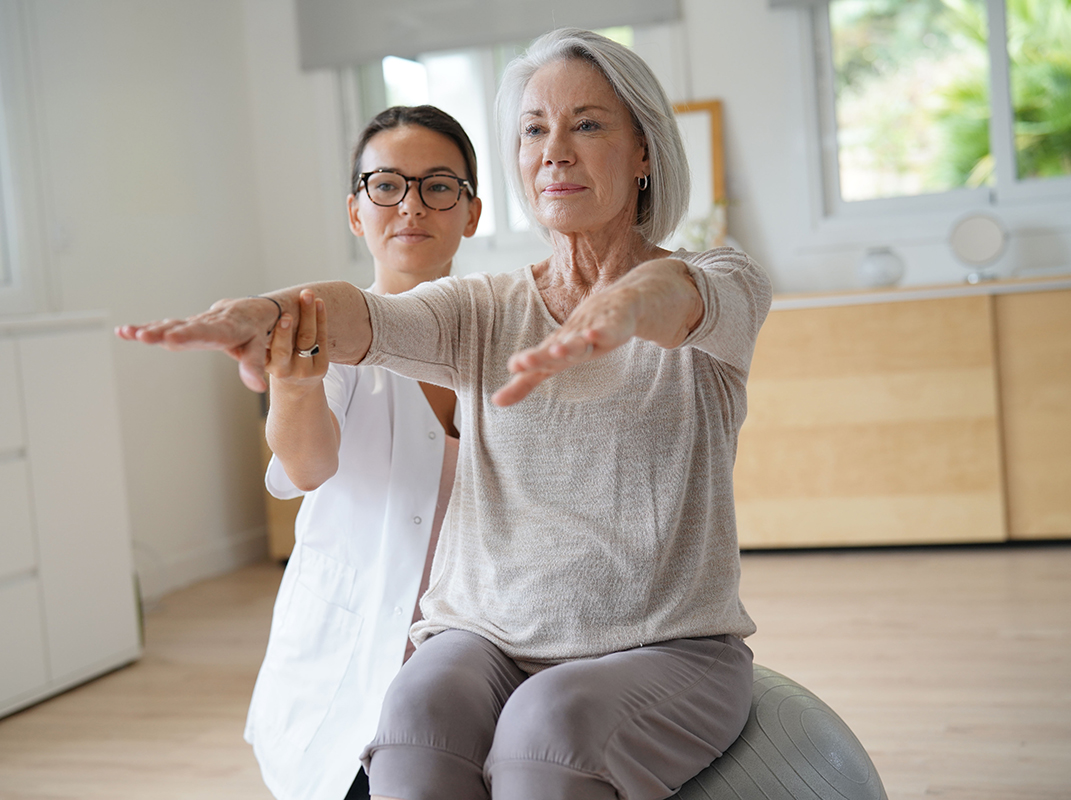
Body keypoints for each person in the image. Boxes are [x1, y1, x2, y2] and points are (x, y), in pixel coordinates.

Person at [119, 28, 771, 800]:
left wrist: (620, 308)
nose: (555, 149)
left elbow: (679, 301)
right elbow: (362, 315)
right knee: (415, 713)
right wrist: (266, 312)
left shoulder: (724, 281)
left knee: (548, 729)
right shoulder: (485, 306)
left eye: (588, 124)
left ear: (645, 153)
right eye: (535, 129)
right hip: (488, 638)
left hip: (668, 647)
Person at [241, 106, 481, 800]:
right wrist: (294, 381)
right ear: (356, 211)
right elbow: (308, 468)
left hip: (467, 659)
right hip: (347, 663)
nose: (410, 206)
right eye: (386, 185)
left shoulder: (497, 345)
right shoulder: (330, 341)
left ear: (471, 212)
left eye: (439, 186)